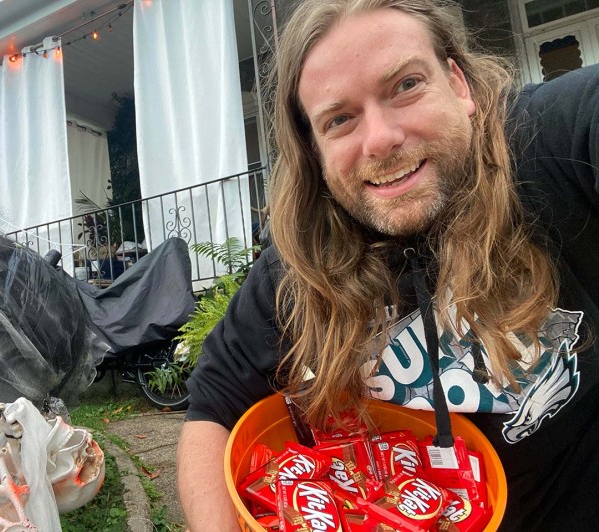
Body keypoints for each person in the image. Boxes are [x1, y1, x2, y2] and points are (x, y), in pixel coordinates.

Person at [177, 0, 599, 530]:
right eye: (339, 119)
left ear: (459, 84)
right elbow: (212, 409)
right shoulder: (301, 266)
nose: (379, 140)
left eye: (405, 85)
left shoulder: (555, 145)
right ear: (314, 149)